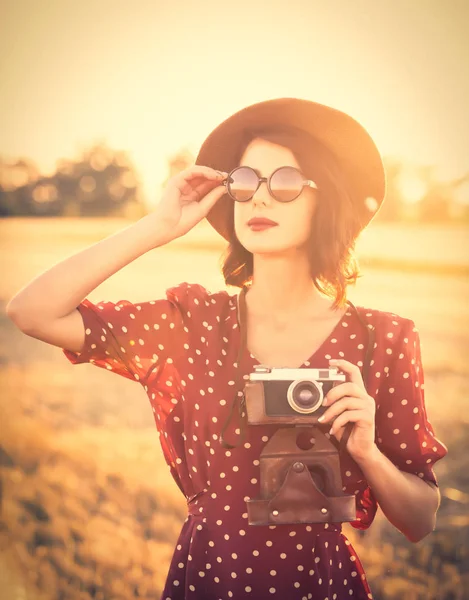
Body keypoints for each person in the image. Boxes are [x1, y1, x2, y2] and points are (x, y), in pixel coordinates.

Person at [7, 98, 448, 600]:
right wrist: (157, 228)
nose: (258, 198)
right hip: (209, 578)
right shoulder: (193, 324)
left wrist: (368, 453)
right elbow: (32, 311)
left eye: (283, 182)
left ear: (326, 199)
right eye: (244, 182)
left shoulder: (383, 339)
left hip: (322, 586)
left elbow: (421, 519)